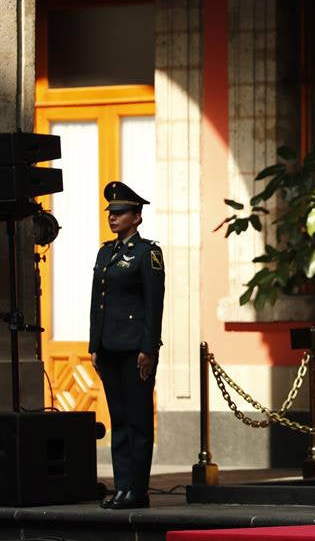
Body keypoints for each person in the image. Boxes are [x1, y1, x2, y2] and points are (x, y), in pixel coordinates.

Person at [89, 181, 165, 510]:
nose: (113, 217)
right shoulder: (106, 252)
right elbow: (97, 302)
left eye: (120, 212)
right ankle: (121, 488)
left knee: (137, 421)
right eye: (111, 212)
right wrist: (95, 345)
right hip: (108, 348)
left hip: (135, 349)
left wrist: (149, 349)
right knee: (118, 421)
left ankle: (138, 490)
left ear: (137, 217)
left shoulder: (148, 253)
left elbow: (154, 303)